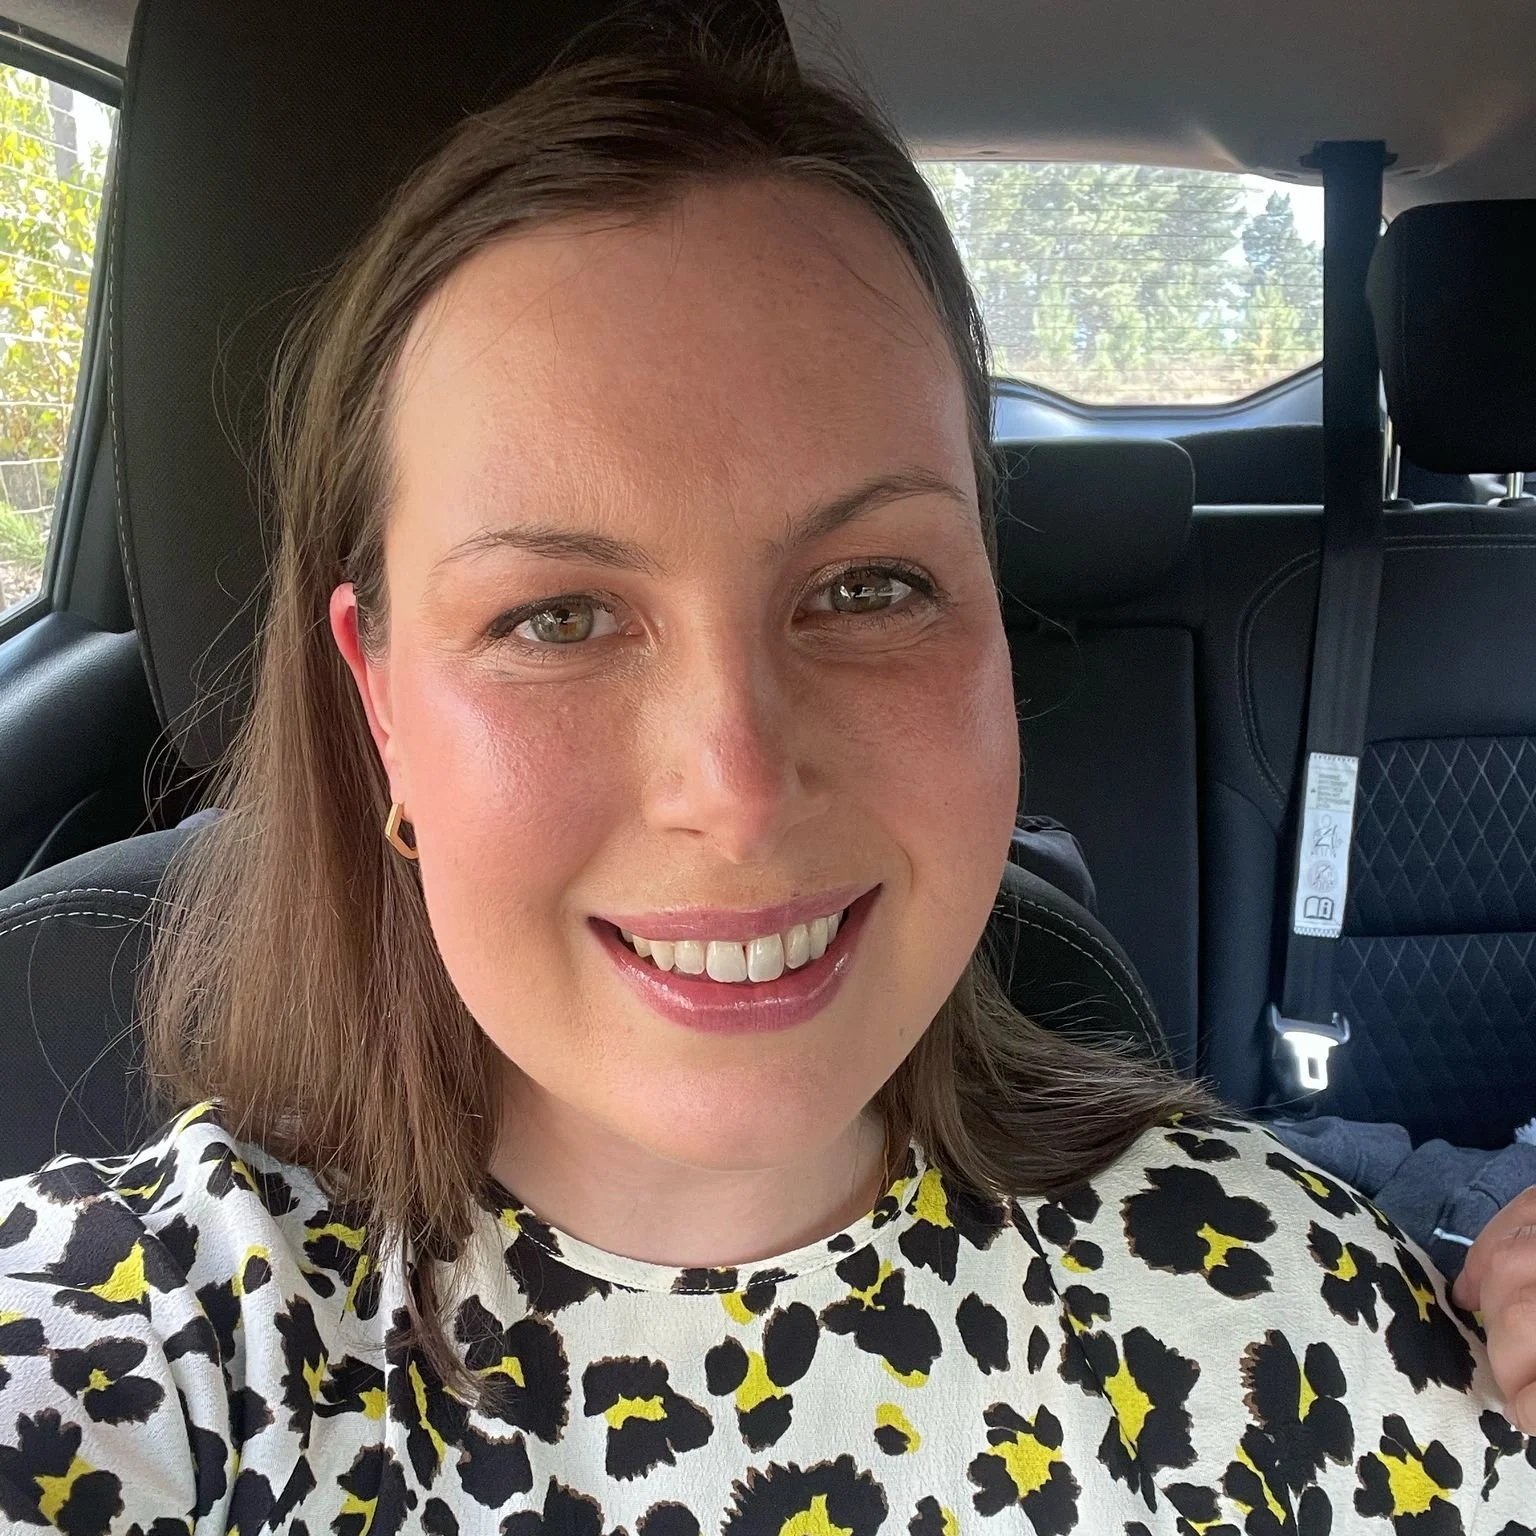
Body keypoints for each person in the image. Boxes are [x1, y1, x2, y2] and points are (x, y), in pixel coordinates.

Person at [1, 34, 1534, 1536]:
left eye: (867, 587)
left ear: (998, 624)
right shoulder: (138, 1352)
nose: (735, 788)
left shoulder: (1278, 1303)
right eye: (556, 617)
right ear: (383, 705)